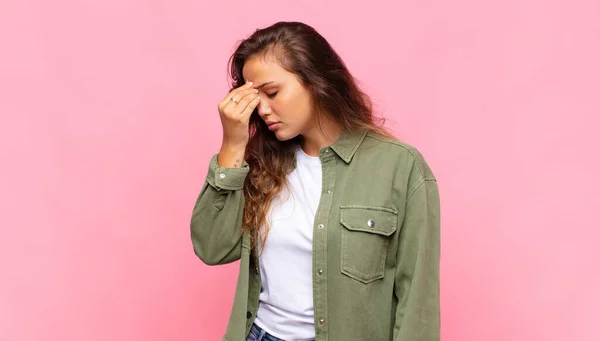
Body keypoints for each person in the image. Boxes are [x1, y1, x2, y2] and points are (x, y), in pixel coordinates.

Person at [190, 21, 440, 341]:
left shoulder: (399, 167)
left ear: (315, 80)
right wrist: (232, 145)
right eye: (254, 99)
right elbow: (211, 248)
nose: (262, 109)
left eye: (272, 92)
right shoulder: (260, 164)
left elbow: (418, 298)